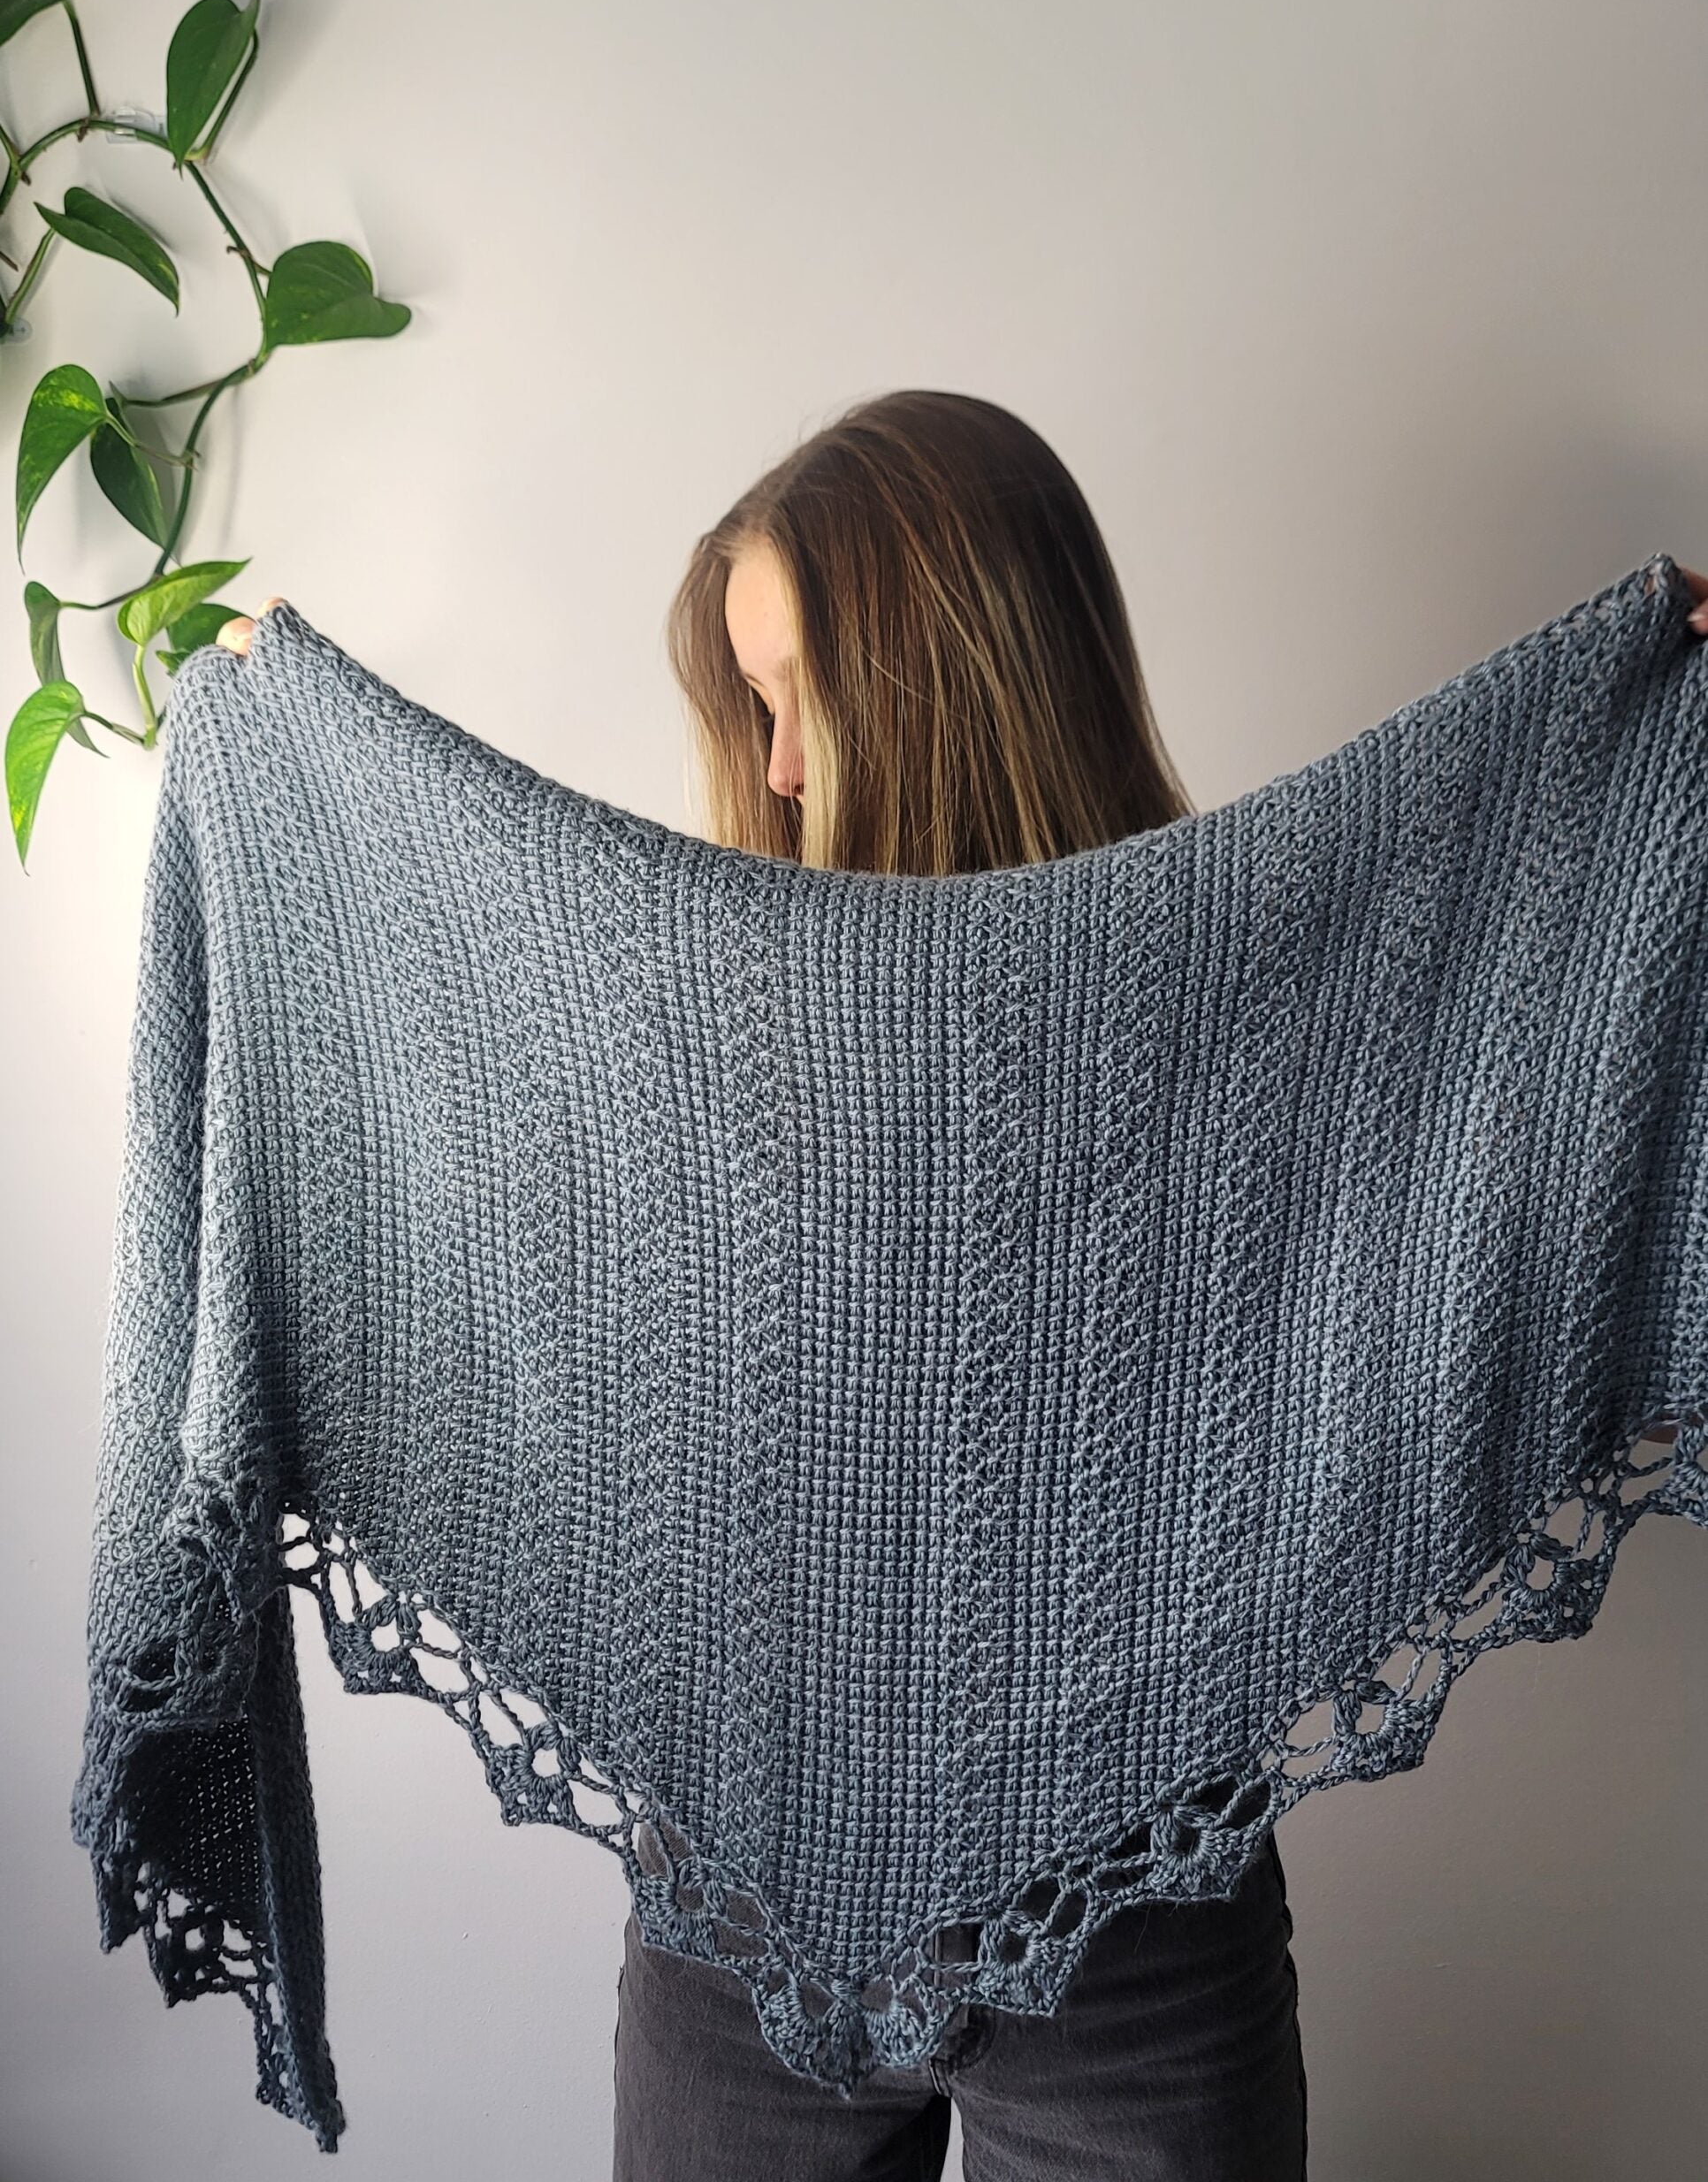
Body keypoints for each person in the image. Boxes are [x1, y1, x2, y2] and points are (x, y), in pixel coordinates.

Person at [212, 392, 1708, 2179]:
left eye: (790, 697)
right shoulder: (687, 1037)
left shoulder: (1259, 1023)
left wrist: (1656, 732)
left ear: (943, 673)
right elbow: (473, 1197)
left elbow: (1494, 1137)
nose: (765, 767)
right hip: (731, 1922)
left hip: (1143, 1928)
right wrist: (288, 754)